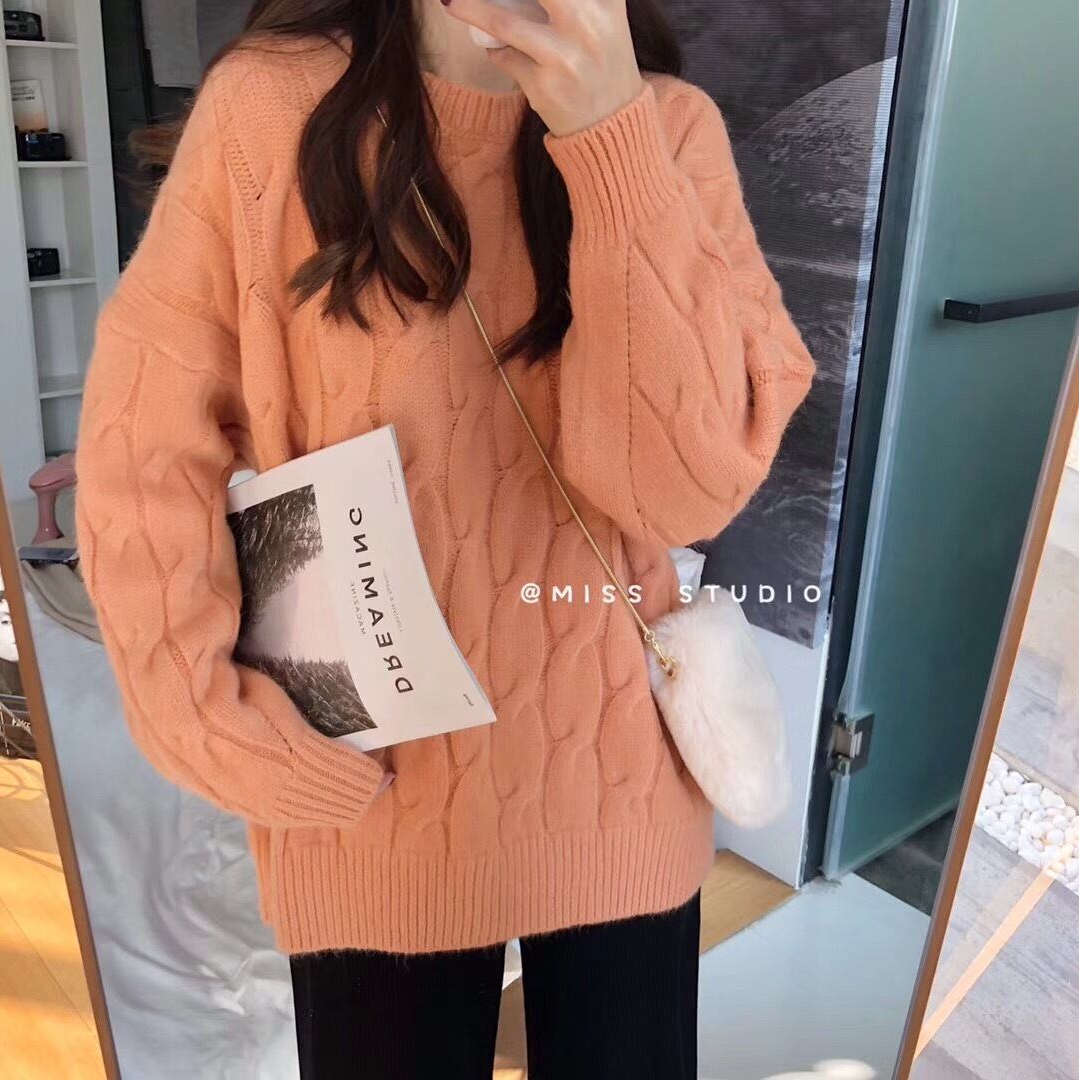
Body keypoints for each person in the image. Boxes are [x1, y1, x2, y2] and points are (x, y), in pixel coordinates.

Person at [74, 1, 816, 1076]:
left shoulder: (668, 126)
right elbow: (145, 446)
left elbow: (681, 496)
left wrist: (612, 140)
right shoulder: (270, 108)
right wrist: (214, 722)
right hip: (375, 806)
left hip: (618, 791)